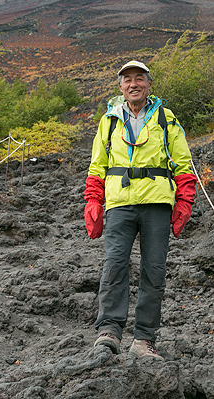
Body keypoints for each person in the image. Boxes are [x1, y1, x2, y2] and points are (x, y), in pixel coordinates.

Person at [84, 60, 196, 360]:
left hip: (157, 205)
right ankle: (109, 332)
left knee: (155, 271)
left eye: (139, 78)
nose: (133, 84)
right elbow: (98, 165)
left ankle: (144, 340)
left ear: (149, 84)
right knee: (114, 266)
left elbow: (184, 164)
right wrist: (93, 200)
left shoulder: (166, 119)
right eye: (127, 79)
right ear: (120, 86)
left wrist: (184, 201)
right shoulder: (108, 120)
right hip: (120, 204)